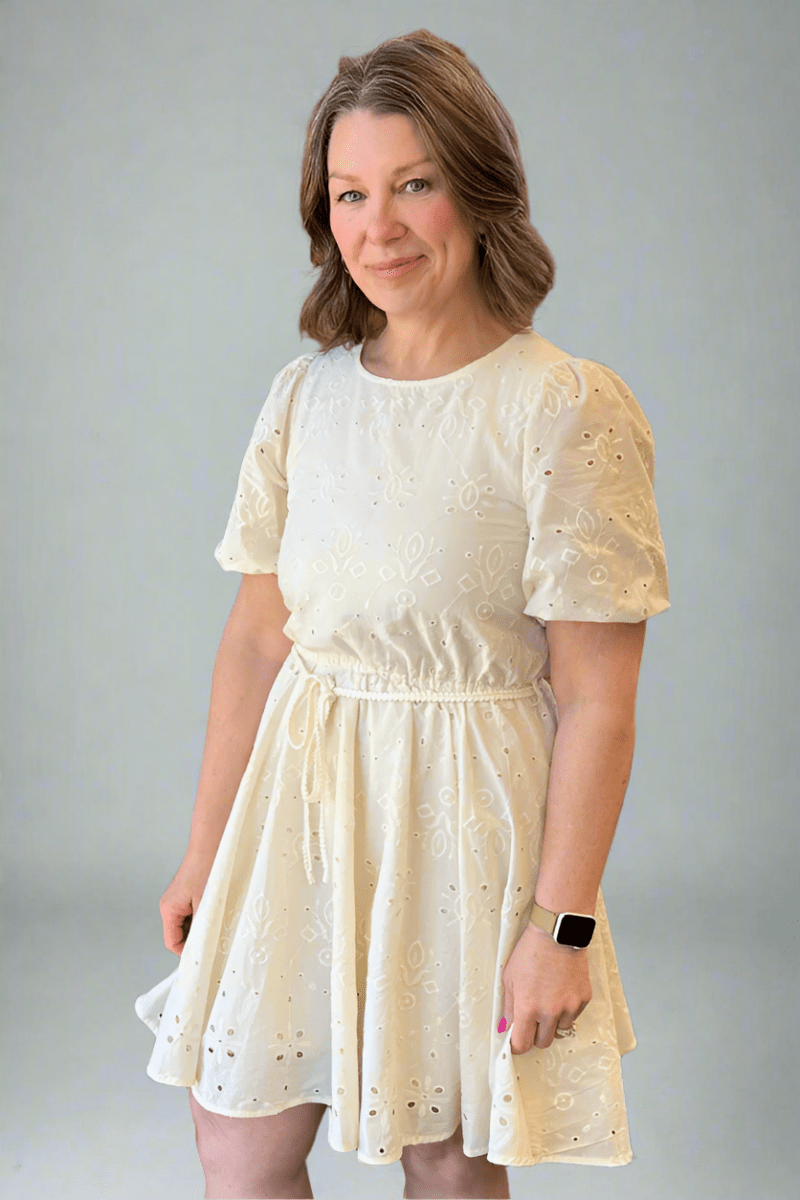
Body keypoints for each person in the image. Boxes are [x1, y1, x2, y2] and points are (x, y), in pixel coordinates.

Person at [134, 27, 670, 1200]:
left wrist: (560, 927)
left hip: (464, 815)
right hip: (297, 804)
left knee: (444, 1154)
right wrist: (205, 849)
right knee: (236, 1135)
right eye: (349, 194)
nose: (377, 227)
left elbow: (596, 699)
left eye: (413, 185)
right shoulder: (303, 398)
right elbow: (257, 641)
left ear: (478, 191)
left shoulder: (561, 408)